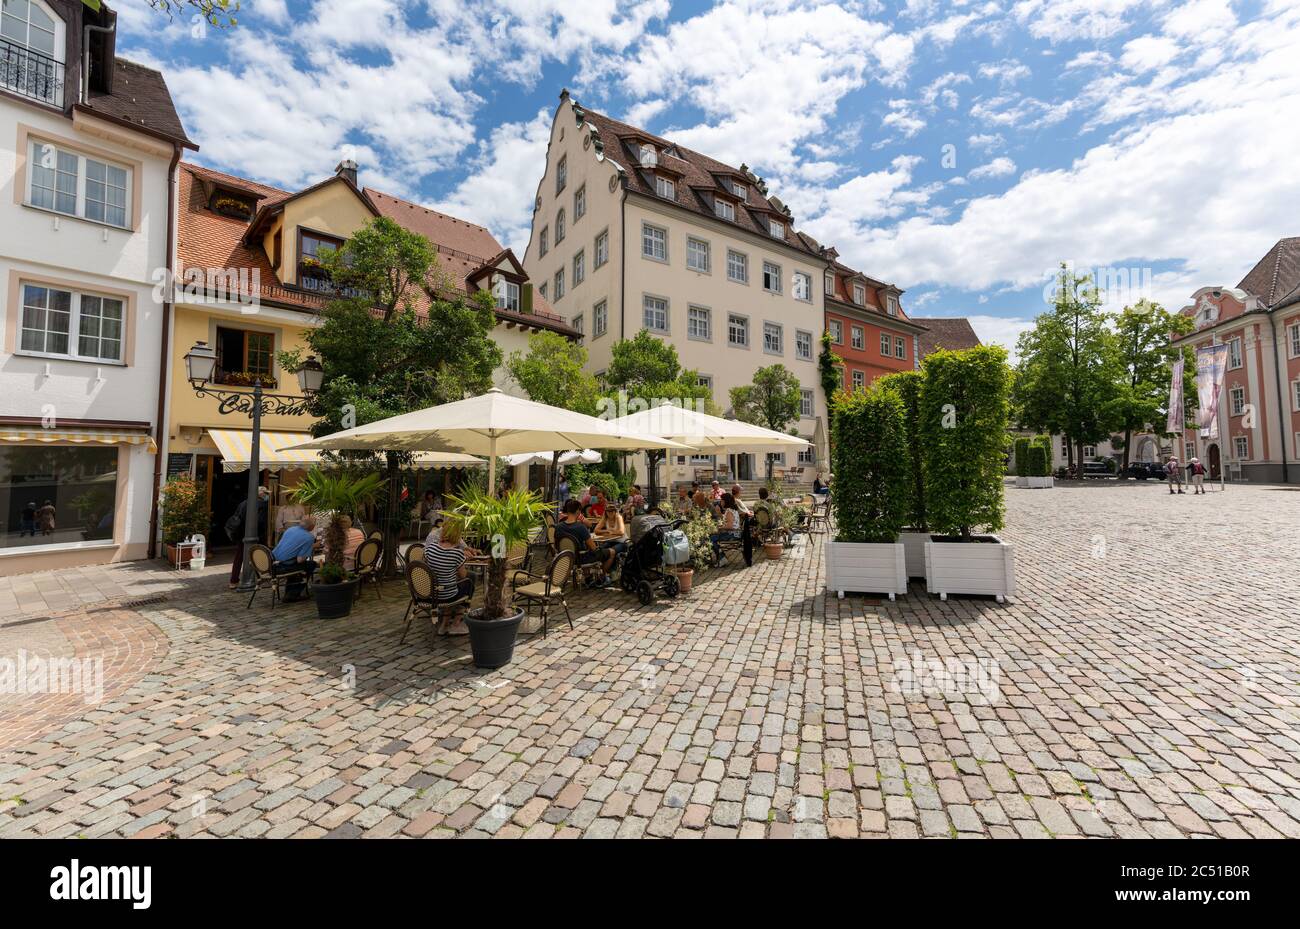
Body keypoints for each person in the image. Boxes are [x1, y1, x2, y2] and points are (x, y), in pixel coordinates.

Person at [425, 518, 474, 635]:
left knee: (447, 585)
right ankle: (456, 623)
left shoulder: (429, 549)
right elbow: (463, 576)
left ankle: (444, 624)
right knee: (469, 582)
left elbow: (426, 568)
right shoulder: (457, 553)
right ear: (457, 535)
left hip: (429, 593)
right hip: (447, 595)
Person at [556, 498, 615, 584]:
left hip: (565, 558)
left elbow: (556, 545)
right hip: (580, 559)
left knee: (584, 550)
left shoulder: (558, 527)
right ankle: (602, 578)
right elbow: (593, 548)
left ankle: (589, 578)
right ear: (578, 512)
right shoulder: (580, 527)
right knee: (612, 552)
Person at [228, 486, 270, 588]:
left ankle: (233, 580)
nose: (266, 495)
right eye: (265, 493)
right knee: (262, 554)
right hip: (256, 534)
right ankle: (263, 576)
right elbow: (261, 521)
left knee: (239, 557)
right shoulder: (262, 505)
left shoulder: (243, 503)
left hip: (241, 534)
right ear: (260, 494)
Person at [270, 515, 318, 596]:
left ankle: (291, 592)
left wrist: (310, 546)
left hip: (272, 563)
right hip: (283, 566)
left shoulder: (290, 529)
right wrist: (310, 547)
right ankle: (293, 593)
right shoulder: (309, 537)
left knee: (296, 563)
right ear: (312, 526)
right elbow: (300, 560)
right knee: (311, 564)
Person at [710, 493, 743, 563]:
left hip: (732, 534)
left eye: (721, 500)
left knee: (711, 539)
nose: (720, 502)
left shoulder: (729, 511)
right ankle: (721, 558)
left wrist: (720, 528)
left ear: (725, 501)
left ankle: (722, 558)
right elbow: (728, 521)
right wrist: (719, 513)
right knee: (712, 537)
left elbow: (730, 526)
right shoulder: (731, 510)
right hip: (735, 533)